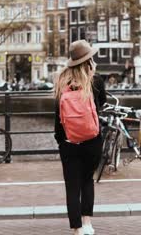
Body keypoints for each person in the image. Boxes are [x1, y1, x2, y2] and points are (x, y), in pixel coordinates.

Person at [54, 40, 106, 235]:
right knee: (87, 180)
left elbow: (57, 117)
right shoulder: (96, 81)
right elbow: (101, 104)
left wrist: (61, 140)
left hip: (69, 142)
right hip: (92, 140)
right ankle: (88, 224)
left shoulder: (61, 82)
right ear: (89, 60)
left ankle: (76, 229)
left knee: (72, 185)